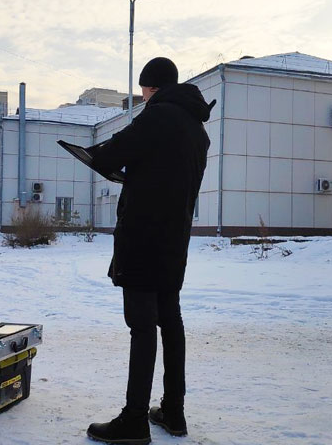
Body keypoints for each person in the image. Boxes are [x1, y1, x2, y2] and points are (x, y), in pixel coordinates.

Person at [86, 57, 214, 445]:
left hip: (143, 239)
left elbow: (108, 156)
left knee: (141, 328)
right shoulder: (196, 128)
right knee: (169, 322)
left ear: (151, 87)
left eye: (143, 90)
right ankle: (173, 411)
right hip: (174, 241)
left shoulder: (156, 116)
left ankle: (134, 420)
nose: (141, 96)